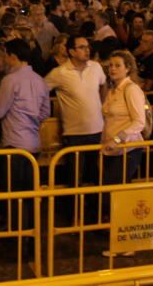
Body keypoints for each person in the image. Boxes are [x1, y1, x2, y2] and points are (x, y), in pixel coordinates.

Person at [0, 38, 50, 242]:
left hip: (13, 143)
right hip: (33, 143)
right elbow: (45, 112)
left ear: (12, 56)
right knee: (29, 194)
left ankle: (18, 237)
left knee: (13, 194)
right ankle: (31, 234)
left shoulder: (10, 81)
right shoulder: (39, 80)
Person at [45, 35, 106, 194]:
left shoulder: (96, 67)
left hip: (97, 130)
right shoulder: (59, 72)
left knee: (95, 175)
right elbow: (41, 89)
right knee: (74, 177)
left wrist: (104, 106)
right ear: (71, 51)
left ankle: (95, 212)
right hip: (74, 133)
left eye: (88, 47)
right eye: (82, 47)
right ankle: (73, 214)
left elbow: (103, 84)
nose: (87, 50)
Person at [100, 50, 146, 191]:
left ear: (128, 68)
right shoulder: (112, 91)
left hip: (128, 149)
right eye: (110, 65)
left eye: (118, 65)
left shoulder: (131, 89)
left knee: (115, 192)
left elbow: (139, 122)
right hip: (110, 149)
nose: (112, 69)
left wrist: (117, 140)